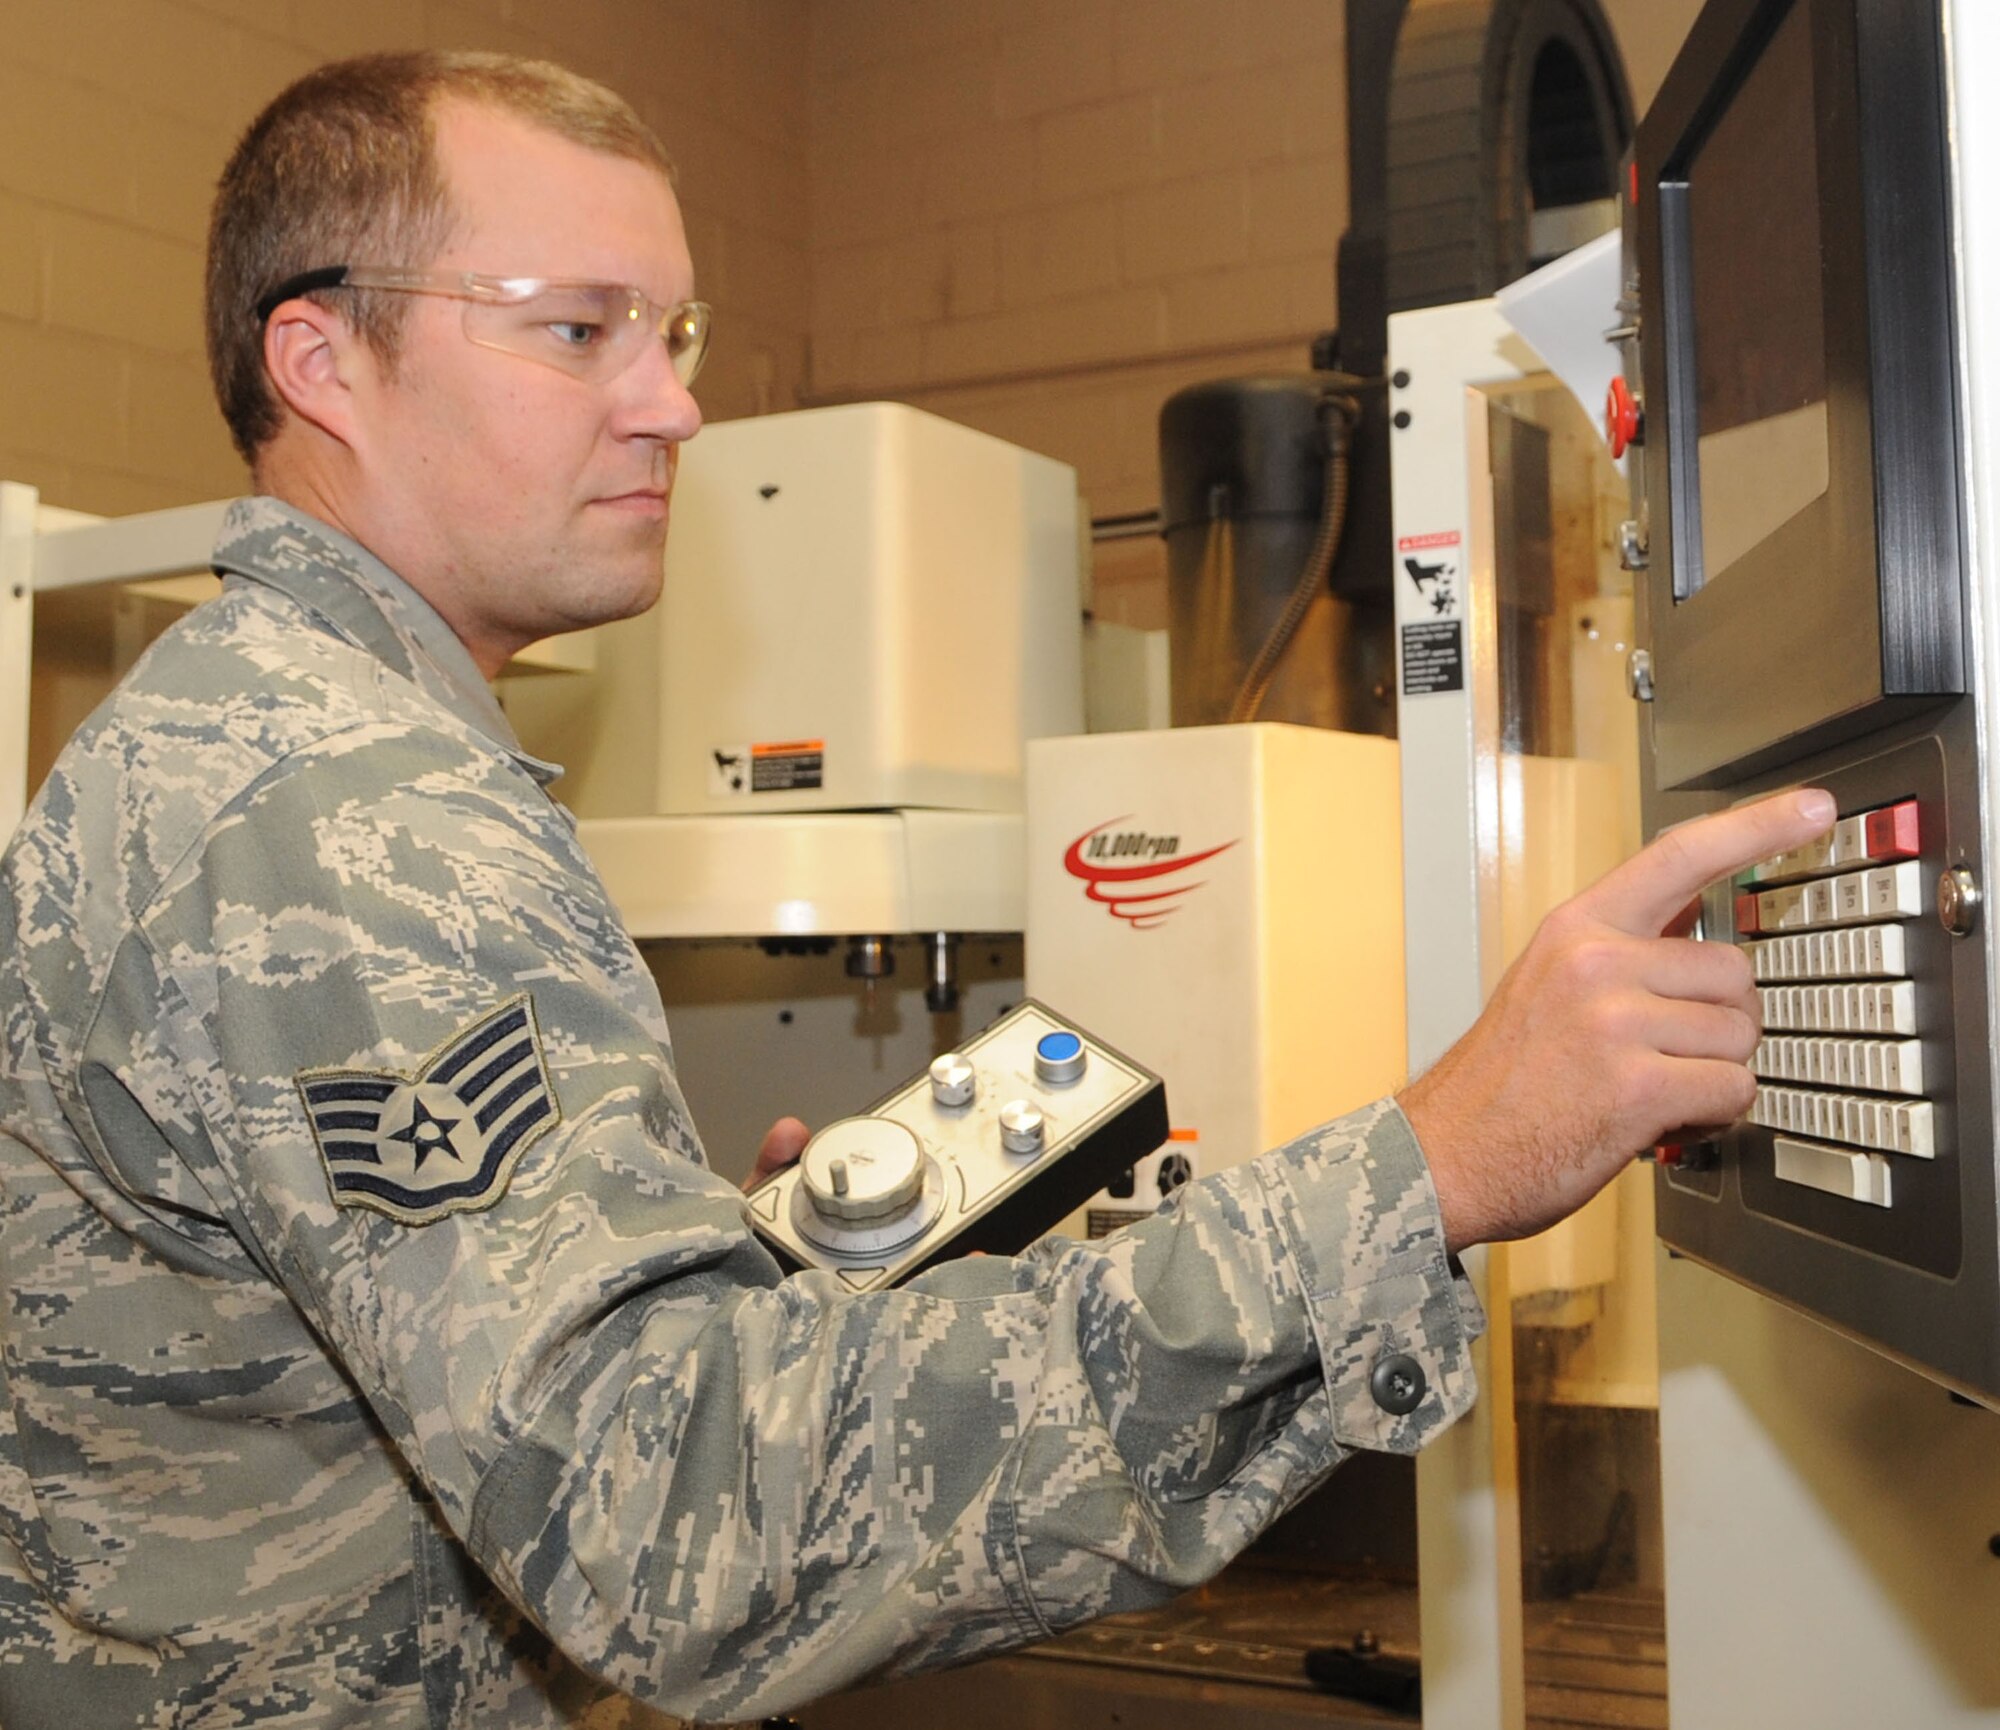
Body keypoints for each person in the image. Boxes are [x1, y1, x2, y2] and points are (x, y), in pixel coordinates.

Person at [0, 49, 1831, 1730]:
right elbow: (676, 1525)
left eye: (675, 328)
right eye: (578, 331)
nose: (676, 406)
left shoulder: (266, 734)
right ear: (322, 361)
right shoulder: (341, 799)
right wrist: (1437, 1161)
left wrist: (716, 1267)